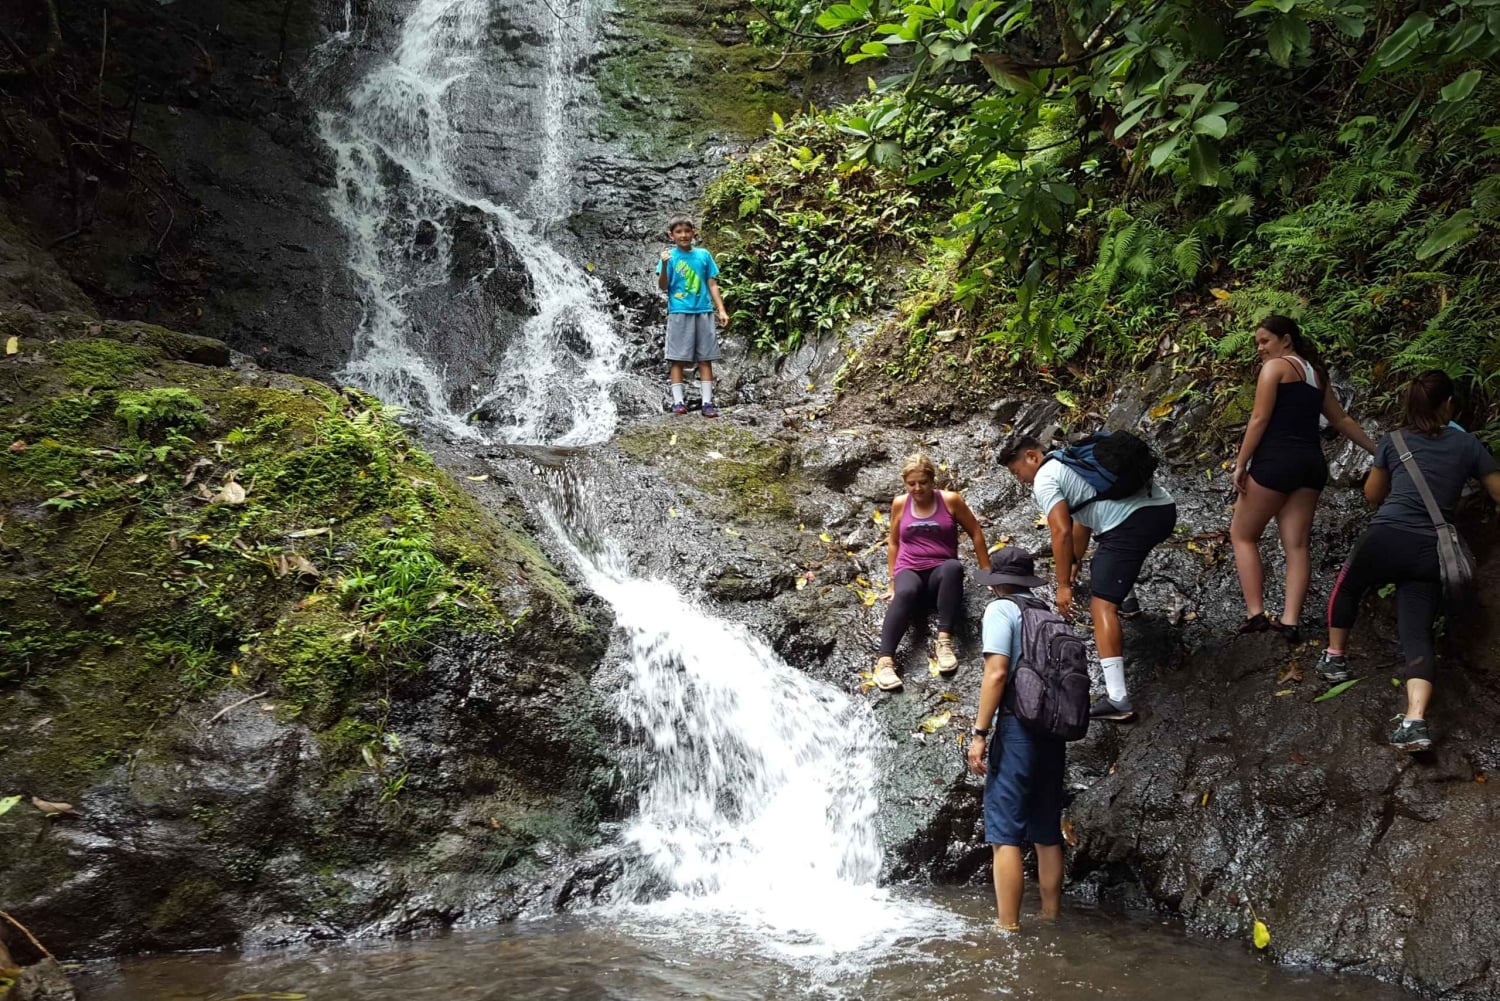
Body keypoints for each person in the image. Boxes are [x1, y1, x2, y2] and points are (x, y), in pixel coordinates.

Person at [1321, 370, 1500, 751]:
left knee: (1348, 586)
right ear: (1448, 405)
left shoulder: (1394, 440)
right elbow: (1498, 492)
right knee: (1417, 632)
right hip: (1432, 548)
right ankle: (1415, 720)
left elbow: (1373, 495)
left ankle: (1335, 658)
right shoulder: (1468, 445)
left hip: (1388, 535)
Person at [1000, 435, 1177, 722]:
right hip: (1163, 511)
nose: (1019, 478)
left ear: (1032, 456)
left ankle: (1118, 700)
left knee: (1101, 607)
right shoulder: (1073, 461)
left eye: (1016, 471)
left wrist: (1063, 586)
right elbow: (1081, 520)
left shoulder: (1045, 478)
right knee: (1105, 564)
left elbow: (1061, 531)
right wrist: (1075, 561)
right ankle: (1128, 601)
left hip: (1129, 525)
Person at [1230, 316, 1376, 640]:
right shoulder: (1316, 374)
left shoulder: (1275, 368)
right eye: (1257, 343)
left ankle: (1256, 613)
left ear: (1286, 340)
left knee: (1243, 536)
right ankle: (1290, 621)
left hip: (1275, 462)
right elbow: (1341, 419)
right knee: (1296, 545)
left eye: (1265, 341)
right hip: (1311, 466)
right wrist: (1376, 450)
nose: (1260, 348)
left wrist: (1241, 463)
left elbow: (1259, 418)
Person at [965, 548, 1065, 931]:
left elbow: (996, 672)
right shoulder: (1049, 614)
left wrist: (980, 733)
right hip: (1052, 729)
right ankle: (1050, 916)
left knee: (1005, 832)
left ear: (998, 582)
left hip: (1018, 726)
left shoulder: (1001, 610)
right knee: (1046, 828)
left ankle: (1007, 927)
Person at [874, 453, 992, 692]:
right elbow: (894, 542)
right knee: (905, 592)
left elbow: (975, 533)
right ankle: (884, 662)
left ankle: (944, 642)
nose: (917, 488)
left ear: (932, 480)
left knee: (953, 568)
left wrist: (986, 571)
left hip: (940, 571)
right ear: (905, 483)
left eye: (923, 482)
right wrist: (892, 581)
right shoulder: (900, 503)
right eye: (911, 484)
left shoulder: (950, 501)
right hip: (910, 569)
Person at [656, 215, 730, 418]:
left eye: (687, 231)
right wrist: (664, 265)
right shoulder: (669, 257)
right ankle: (678, 402)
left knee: (705, 358)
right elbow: (663, 286)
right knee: (677, 358)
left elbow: (712, 283)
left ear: (693, 233)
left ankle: (707, 403)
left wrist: (721, 309)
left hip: (703, 311)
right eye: (678, 232)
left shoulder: (703, 255)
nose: (683, 235)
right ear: (671, 235)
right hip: (679, 311)